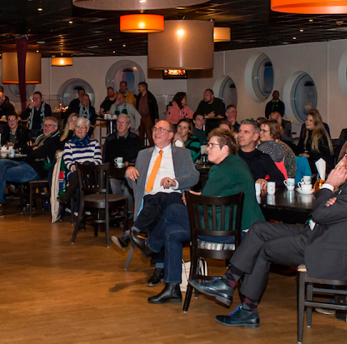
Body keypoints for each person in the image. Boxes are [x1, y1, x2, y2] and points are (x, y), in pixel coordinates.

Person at [189, 137, 347, 327]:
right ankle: (228, 282)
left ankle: (247, 308)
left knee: (264, 248)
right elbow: (327, 212)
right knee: (259, 229)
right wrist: (330, 200)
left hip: (326, 249)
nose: (344, 159)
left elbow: (319, 214)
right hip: (319, 235)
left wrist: (328, 187)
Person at [144, 129, 265, 304]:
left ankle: (151, 245)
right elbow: (217, 195)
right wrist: (197, 195)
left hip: (228, 231)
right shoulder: (237, 163)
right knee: (172, 231)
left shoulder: (219, 170)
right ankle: (172, 288)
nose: (207, 149)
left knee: (172, 210)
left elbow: (202, 205)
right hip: (239, 227)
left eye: (211, 145)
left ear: (225, 149)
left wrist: (193, 197)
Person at [121, 120, 199, 286]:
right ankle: (160, 265)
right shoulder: (143, 154)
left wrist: (175, 181)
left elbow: (194, 176)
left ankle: (134, 233)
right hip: (148, 200)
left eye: (161, 129)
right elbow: (135, 184)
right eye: (155, 128)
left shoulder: (182, 154)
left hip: (174, 197)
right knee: (159, 206)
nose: (156, 132)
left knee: (164, 201)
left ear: (171, 135)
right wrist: (129, 172)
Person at [0, 117, 63, 219]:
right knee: (1, 162)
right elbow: (24, 148)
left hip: (35, 170)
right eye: (45, 125)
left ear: (55, 127)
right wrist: (32, 149)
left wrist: (32, 149)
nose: (46, 128)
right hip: (25, 163)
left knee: (1, 173)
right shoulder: (41, 137)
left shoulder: (55, 141)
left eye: (49, 126)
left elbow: (36, 153)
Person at [55, 117, 103, 210]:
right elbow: (68, 161)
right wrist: (74, 167)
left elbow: (98, 160)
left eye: (83, 127)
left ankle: (68, 195)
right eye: (77, 127)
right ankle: (82, 209)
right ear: (74, 128)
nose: (79, 130)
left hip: (91, 173)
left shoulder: (94, 143)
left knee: (86, 163)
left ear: (87, 129)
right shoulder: (69, 144)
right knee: (79, 174)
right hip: (75, 173)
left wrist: (86, 166)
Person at [104, 114, 144, 215]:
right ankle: (121, 211)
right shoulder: (110, 139)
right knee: (112, 182)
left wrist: (129, 163)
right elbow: (105, 159)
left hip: (129, 174)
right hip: (114, 174)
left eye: (123, 123)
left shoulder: (135, 139)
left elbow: (139, 158)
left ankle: (125, 212)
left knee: (128, 188)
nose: (120, 125)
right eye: (118, 122)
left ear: (128, 125)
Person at [234, 120, 284, 186]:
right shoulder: (232, 155)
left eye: (246, 132)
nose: (241, 135)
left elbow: (280, 179)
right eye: (240, 131)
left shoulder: (262, 157)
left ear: (255, 137)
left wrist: (266, 182)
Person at [294, 109, 334, 177]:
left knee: (303, 161)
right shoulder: (305, 133)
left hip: (319, 162)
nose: (307, 122)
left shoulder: (321, 134)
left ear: (316, 122)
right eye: (307, 119)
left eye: (310, 120)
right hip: (308, 160)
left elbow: (324, 154)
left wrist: (309, 156)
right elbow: (299, 148)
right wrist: (300, 154)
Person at [135, 82, 158, 146]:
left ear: (144, 87)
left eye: (140, 87)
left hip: (148, 117)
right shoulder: (139, 96)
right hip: (140, 117)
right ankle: (141, 147)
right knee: (141, 133)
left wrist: (156, 117)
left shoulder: (150, 96)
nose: (139, 88)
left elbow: (155, 107)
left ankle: (152, 146)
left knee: (149, 134)